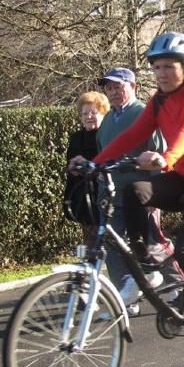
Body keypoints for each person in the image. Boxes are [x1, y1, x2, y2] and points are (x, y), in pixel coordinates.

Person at [86, 32, 184, 364]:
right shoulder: (158, 100)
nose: (161, 74)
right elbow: (133, 134)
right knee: (136, 191)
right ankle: (148, 267)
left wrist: (166, 157)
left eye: (168, 66)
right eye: (156, 68)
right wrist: (94, 164)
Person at [95, 67, 177, 302]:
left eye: (118, 86)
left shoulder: (143, 113)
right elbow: (104, 155)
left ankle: (177, 285)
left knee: (152, 244)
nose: (112, 91)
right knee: (114, 245)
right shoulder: (109, 119)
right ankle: (126, 299)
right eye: (109, 87)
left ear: (133, 87)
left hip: (141, 194)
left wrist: (155, 195)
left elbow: (159, 155)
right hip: (114, 194)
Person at [63, 91, 110, 249]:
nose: (89, 116)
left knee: (106, 242)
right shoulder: (76, 138)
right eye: (85, 113)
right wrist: (73, 168)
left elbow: (108, 161)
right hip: (85, 197)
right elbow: (70, 162)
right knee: (90, 241)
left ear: (103, 113)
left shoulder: (107, 136)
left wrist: (89, 164)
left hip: (105, 194)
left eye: (93, 112)